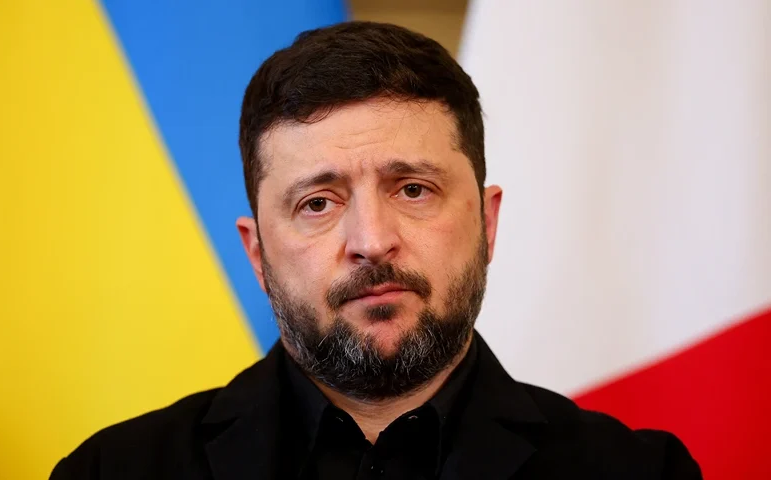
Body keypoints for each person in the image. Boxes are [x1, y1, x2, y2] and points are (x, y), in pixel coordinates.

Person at [50, 21, 701, 480]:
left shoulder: (639, 471)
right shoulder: (114, 470)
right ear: (257, 255)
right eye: (318, 203)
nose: (370, 241)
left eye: (413, 189)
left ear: (486, 220)